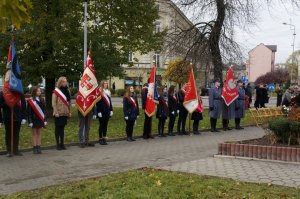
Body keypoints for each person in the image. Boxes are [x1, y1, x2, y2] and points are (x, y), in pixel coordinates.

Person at [0, 69, 26, 157]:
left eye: (11, 75)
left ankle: (15, 150)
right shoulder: (3, 91)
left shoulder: (18, 90)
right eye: (8, 75)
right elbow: (1, 104)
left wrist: (24, 116)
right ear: (5, 77)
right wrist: (9, 103)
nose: (10, 77)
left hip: (17, 115)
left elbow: (23, 104)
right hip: (8, 115)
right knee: (8, 134)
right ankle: (8, 150)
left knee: (16, 134)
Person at [52, 76, 72, 150]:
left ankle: (62, 143)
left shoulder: (67, 90)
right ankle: (57, 144)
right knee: (58, 128)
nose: (65, 83)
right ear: (60, 82)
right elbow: (53, 103)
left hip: (65, 112)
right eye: (64, 81)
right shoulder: (56, 91)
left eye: (66, 81)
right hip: (58, 112)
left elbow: (69, 102)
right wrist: (55, 111)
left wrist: (69, 111)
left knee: (62, 128)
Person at [27, 86, 47, 154]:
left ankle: (39, 147)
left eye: (40, 91)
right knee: (34, 134)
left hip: (40, 119)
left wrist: (45, 120)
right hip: (34, 119)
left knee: (39, 133)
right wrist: (29, 121)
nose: (39, 92)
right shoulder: (31, 100)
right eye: (38, 91)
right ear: (34, 92)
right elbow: (29, 112)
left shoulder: (42, 100)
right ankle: (34, 147)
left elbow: (44, 111)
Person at [96, 80, 113, 145]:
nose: (106, 84)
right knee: (101, 125)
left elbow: (110, 102)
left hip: (107, 111)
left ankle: (104, 138)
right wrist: (99, 111)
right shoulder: (100, 91)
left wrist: (111, 110)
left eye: (106, 83)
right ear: (102, 84)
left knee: (105, 125)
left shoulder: (108, 92)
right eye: (104, 83)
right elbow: (98, 102)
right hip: (102, 111)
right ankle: (100, 138)